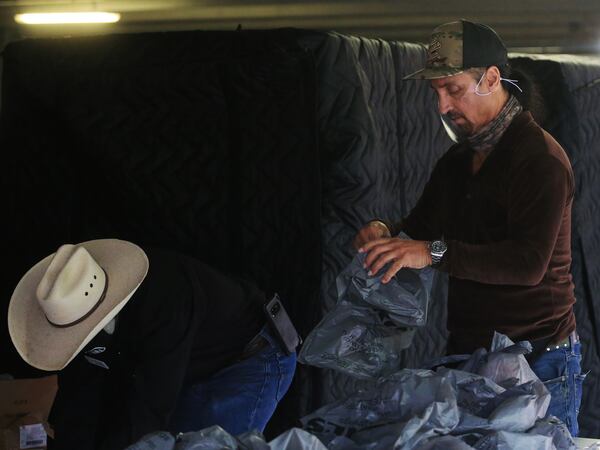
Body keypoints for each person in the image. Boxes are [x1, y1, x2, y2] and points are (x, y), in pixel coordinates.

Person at [353, 20, 583, 436]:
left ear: (491, 79)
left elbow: (526, 264)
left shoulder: (540, 160)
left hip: (538, 362)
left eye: (453, 90)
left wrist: (430, 252)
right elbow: (418, 229)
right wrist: (383, 230)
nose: (442, 106)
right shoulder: (458, 163)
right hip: (469, 357)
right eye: (435, 92)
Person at [7, 239, 296, 449]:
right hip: (190, 359)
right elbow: (82, 392)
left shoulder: (166, 299)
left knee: (200, 445)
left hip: (250, 357)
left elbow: (150, 410)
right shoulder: (77, 305)